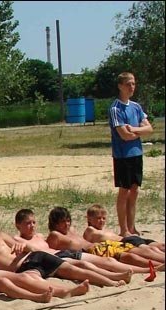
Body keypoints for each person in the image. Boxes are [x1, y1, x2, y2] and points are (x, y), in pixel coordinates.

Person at [0, 210, 97, 295]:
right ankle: (66, 291)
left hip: (34, 258)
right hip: (20, 270)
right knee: (32, 280)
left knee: (77, 266)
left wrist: (23, 246)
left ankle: (108, 279)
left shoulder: (0, 236)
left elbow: (30, 249)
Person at [13, 208, 136, 283]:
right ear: (18, 225)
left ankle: (121, 274)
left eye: (34, 222)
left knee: (104, 261)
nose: (32, 226)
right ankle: (112, 279)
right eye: (28, 223)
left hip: (62, 254)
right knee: (84, 265)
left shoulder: (39, 235)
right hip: (51, 260)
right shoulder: (18, 239)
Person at [45, 206, 162, 276]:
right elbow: (50, 251)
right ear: (55, 223)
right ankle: (157, 267)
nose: (67, 224)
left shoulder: (71, 229)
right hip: (93, 251)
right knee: (129, 257)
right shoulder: (54, 235)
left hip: (103, 246)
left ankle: (160, 262)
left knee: (138, 250)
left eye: (68, 220)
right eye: (63, 222)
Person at [109, 72, 153, 237]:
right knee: (124, 191)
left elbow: (149, 128)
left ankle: (132, 227)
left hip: (136, 153)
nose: (132, 87)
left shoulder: (136, 107)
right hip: (123, 156)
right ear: (120, 86)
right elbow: (124, 135)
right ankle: (124, 229)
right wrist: (138, 132)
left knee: (134, 190)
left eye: (133, 83)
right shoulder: (115, 108)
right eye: (128, 84)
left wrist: (134, 129)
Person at [83, 203, 164, 254]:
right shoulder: (90, 230)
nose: (102, 220)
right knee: (151, 250)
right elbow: (86, 245)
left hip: (130, 238)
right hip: (125, 242)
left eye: (104, 218)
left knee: (161, 246)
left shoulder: (101, 231)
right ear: (89, 219)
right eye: (98, 218)